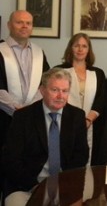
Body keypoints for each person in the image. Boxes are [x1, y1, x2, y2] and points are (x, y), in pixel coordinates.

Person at [2, 68, 89, 205]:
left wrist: (64, 185)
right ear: (42, 90)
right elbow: (12, 160)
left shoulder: (77, 116)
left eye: (65, 91)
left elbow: (81, 156)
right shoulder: (23, 117)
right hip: (26, 187)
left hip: (63, 186)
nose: (60, 96)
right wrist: (37, 187)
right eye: (54, 90)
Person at [0, 10, 50, 200]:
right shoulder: (0, 50)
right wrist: (19, 110)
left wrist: (29, 111)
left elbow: (44, 84)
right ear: (9, 25)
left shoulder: (39, 52)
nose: (24, 26)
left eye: (28, 23)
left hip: (32, 121)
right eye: (19, 22)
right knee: (6, 167)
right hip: (4, 119)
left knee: (28, 163)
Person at [55, 33, 106, 165]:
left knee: (88, 161)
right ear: (70, 48)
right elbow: (54, 96)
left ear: (88, 50)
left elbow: (102, 99)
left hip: (91, 124)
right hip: (64, 122)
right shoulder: (59, 70)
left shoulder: (98, 73)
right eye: (76, 45)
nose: (80, 49)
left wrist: (88, 119)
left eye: (84, 46)